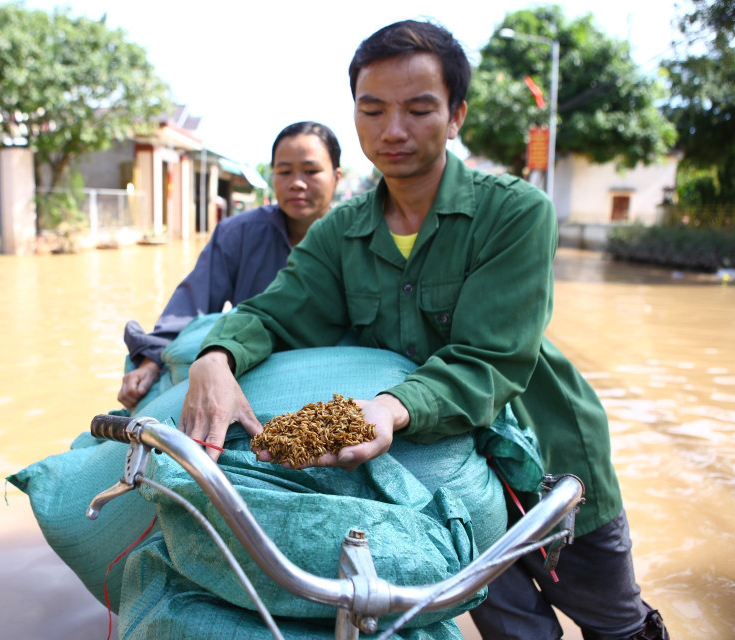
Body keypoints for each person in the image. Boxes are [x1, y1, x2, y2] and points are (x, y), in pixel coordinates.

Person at [178, 19, 669, 640]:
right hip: (447, 488)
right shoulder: (340, 233)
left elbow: (490, 358)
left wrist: (388, 408)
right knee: (514, 630)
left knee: (614, 623)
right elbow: (275, 314)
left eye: (419, 108)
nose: (393, 131)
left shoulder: (515, 213)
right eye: (373, 109)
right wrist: (214, 358)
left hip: (550, 464)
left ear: (456, 114)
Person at [117, 121, 342, 410]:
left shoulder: (356, 240)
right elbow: (191, 304)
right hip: (245, 369)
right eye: (284, 172)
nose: (297, 182)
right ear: (272, 176)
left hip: (328, 374)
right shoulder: (237, 233)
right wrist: (151, 362)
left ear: (336, 176)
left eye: (311, 171)